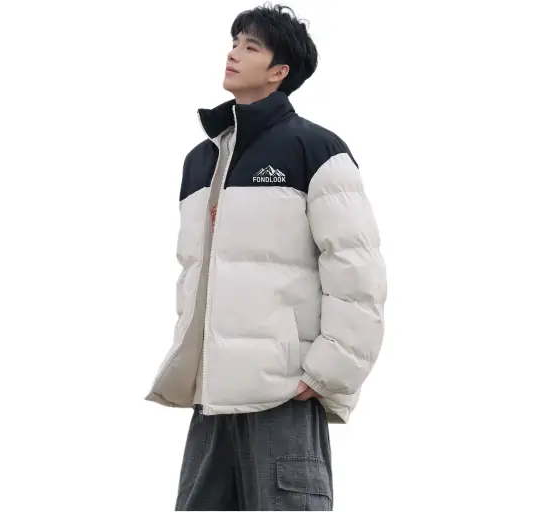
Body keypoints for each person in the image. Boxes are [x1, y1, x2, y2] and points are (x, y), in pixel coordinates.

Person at [145, 3, 387, 510]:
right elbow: (192, 275)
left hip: (283, 394)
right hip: (211, 398)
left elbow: (357, 274)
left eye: (250, 47)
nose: (233, 54)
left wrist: (324, 373)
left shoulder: (316, 149)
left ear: (280, 71)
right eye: (234, 43)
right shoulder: (201, 161)